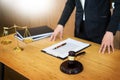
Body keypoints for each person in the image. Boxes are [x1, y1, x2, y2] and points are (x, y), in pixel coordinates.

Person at [50, 0, 120, 54]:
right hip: (80, 28)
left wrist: (110, 31)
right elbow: (70, 3)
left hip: (101, 30)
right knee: (81, 57)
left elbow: (118, 5)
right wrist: (61, 24)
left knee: (99, 62)